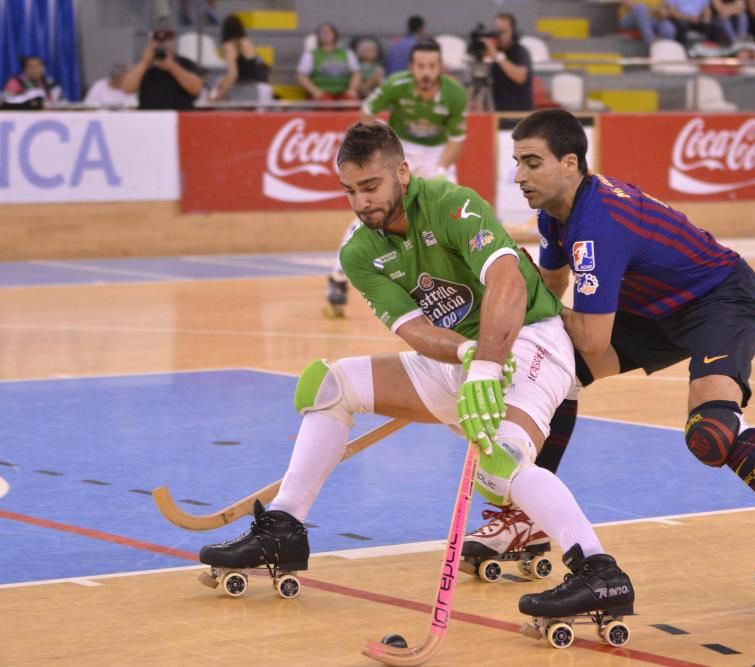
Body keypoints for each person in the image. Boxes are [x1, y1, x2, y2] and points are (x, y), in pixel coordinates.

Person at [199, 121, 635, 624]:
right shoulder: (360, 252)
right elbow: (416, 330)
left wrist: (487, 365)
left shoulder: (452, 204)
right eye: (350, 191)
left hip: (532, 341)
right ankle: (284, 529)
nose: (361, 203)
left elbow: (508, 281)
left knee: (500, 464)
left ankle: (600, 573)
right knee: (329, 385)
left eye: (370, 187)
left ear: (402, 173)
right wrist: (470, 357)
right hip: (463, 356)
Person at [470, 109, 755, 607]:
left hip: (718, 300)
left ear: (570, 163)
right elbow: (551, 295)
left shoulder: (596, 225)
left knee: (711, 431)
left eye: (531, 162)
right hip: (650, 309)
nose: (519, 176)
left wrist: (517, 305)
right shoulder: (554, 214)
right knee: (553, 370)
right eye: (517, 162)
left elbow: (589, 338)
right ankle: (529, 517)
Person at [324, 39, 469, 318]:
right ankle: (337, 278)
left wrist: (439, 171)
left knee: (449, 214)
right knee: (373, 210)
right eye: (420, 66)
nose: (426, 72)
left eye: (432, 66)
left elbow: (456, 140)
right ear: (412, 67)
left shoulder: (455, 94)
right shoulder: (395, 85)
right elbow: (366, 112)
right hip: (400, 149)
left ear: (440, 68)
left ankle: (455, 280)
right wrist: (383, 144)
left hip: (437, 155)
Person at [120, 29, 204, 110]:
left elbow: (196, 89)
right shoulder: (146, 66)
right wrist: (144, 63)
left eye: (166, 41)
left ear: (173, 43)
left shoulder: (185, 63)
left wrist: (172, 67)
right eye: (158, 41)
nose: (162, 45)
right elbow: (127, 88)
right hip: (150, 118)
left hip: (178, 118)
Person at [480, 12, 533, 111]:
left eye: (503, 32)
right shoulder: (493, 52)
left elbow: (520, 77)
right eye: (496, 32)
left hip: (518, 113)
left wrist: (497, 56)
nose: (499, 36)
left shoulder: (521, 51)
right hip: (497, 112)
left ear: (513, 32)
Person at [210, 14, 267, 102]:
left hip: (240, 92)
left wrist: (217, 97)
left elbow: (233, 75)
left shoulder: (229, 46)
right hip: (254, 91)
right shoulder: (248, 43)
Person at [297, 23, 361, 101]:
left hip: (344, 92)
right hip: (320, 93)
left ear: (335, 35)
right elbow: (302, 76)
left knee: (351, 101)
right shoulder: (310, 54)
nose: (326, 34)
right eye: (322, 33)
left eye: (329, 32)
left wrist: (352, 89)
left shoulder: (347, 53)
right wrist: (315, 91)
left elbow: (356, 73)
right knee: (324, 103)